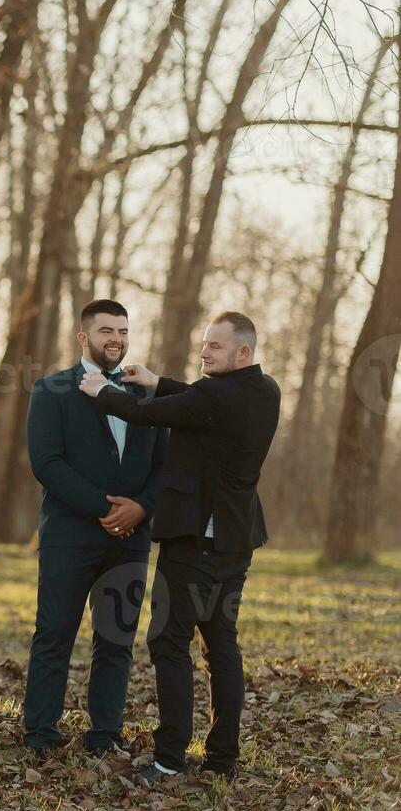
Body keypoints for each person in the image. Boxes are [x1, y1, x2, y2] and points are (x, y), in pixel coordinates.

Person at [80, 310, 280, 783]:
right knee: (220, 644)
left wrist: (103, 393)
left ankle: (170, 757)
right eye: (204, 342)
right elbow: (195, 401)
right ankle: (222, 760)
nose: (204, 351)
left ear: (243, 352)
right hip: (236, 542)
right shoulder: (264, 389)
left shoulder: (213, 395)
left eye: (214, 346)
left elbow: (149, 415)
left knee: (169, 642)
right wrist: (158, 380)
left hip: (195, 545)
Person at [23, 299, 167, 758]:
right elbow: (47, 463)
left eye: (123, 331)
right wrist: (104, 509)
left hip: (132, 540)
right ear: (83, 336)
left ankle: (105, 734)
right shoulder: (51, 390)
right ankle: (41, 732)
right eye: (107, 330)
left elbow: (165, 466)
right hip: (70, 534)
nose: (117, 339)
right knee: (54, 635)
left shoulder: (147, 393)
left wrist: (140, 509)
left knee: (116, 640)